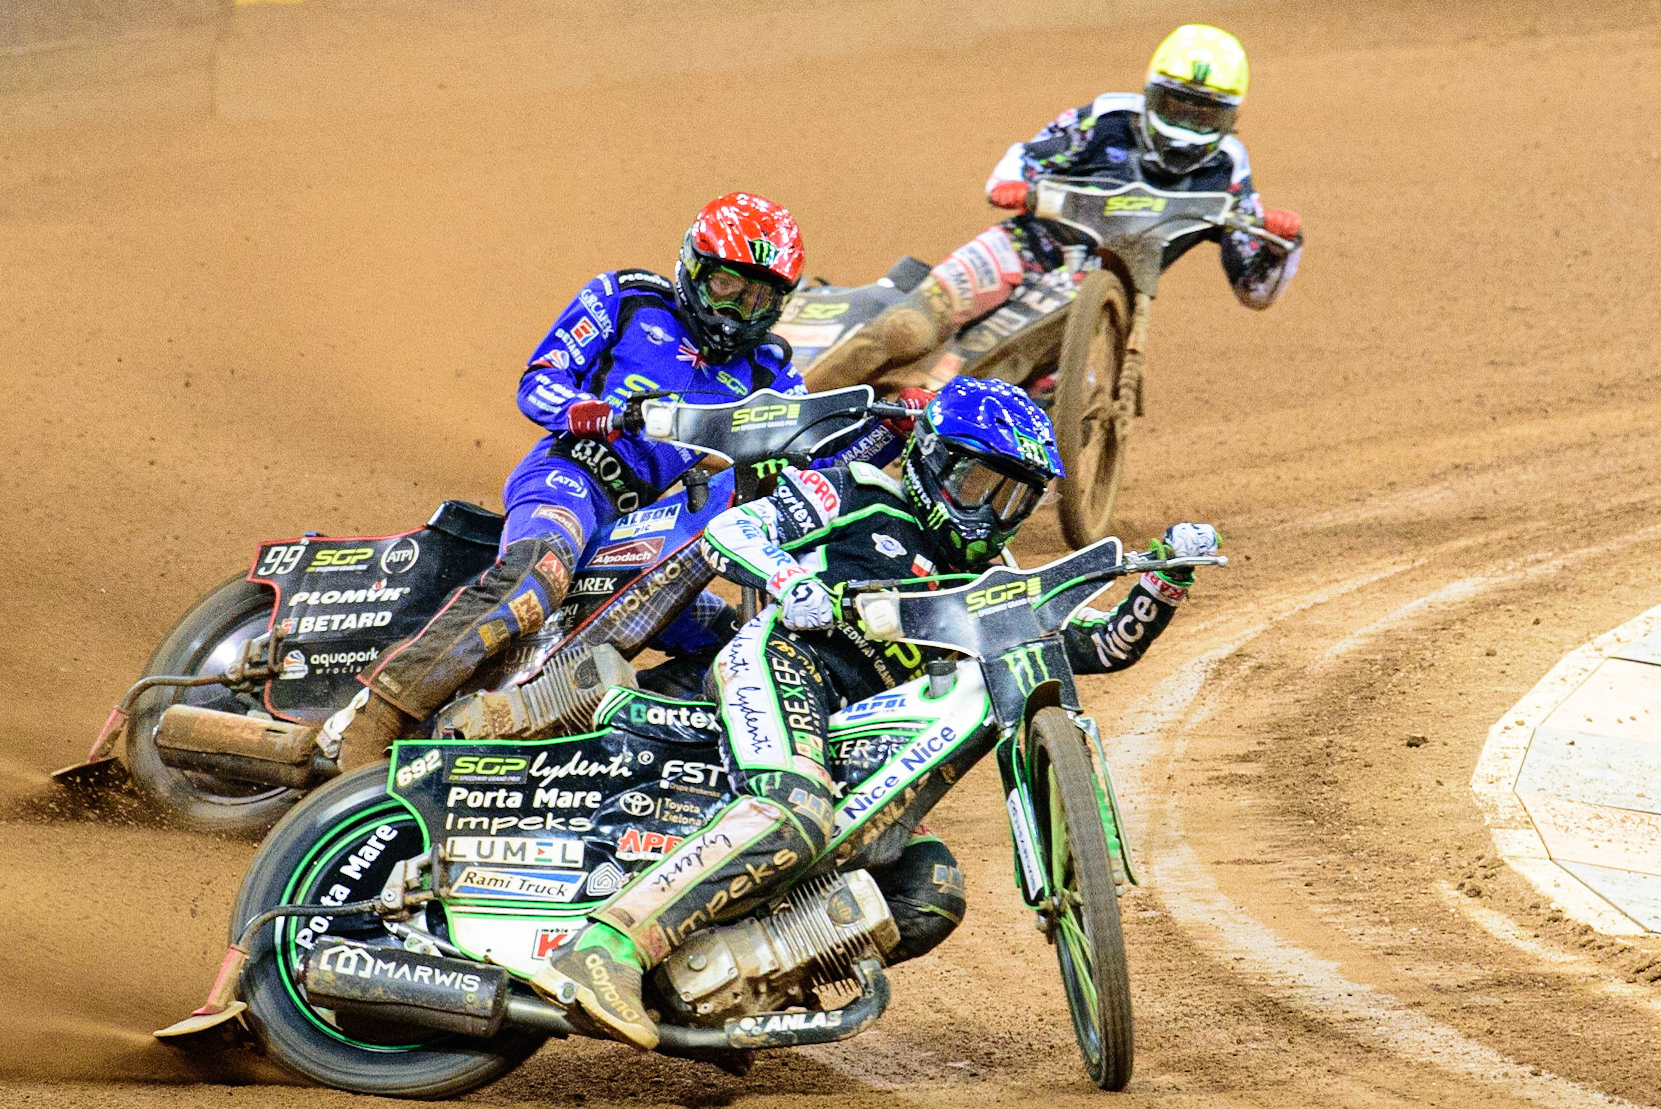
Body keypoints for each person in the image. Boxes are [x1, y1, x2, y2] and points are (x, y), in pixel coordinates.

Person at [533, 375, 1220, 1048]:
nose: (987, 512)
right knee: (794, 809)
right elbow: (733, 528)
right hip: (787, 664)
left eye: (1013, 498)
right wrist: (787, 577)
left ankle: (723, 986)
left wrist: (1164, 581)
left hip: (861, 734)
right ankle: (605, 948)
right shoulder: (858, 493)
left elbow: (1097, 643)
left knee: (931, 887)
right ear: (930, 458)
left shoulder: (992, 581)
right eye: (977, 483)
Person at [318, 192, 921, 768]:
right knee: (539, 578)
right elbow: (539, 381)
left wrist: (893, 430)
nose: (738, 310)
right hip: (569, 474)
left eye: (758, 298)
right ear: (694, 266)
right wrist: (597, 413)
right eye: (727, 286)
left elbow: (805, 458)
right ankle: (379, 719)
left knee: (735, 642)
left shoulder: (769, 367)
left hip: (644, 521)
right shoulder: (628, 298)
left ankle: (612, 751)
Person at [803, 23, 1304, 393]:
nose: (1187, 125)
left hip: (1092, 287)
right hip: (1025, 245)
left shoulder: (1230, 167)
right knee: (902, 328)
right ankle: (790, 406)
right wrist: (1013, 186)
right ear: (1153, 94)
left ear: (1230, 117)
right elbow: (1023, 159)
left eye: (1206, 115)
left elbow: (1253, 287)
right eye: (1176, 107)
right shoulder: (1104, 120)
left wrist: (1279, 243)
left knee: (952, 371)